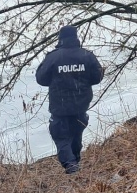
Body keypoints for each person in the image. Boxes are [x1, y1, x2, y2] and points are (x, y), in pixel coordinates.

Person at [35, 25, 103, 174]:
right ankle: (75, 163)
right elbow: (97, 77)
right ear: (76, 37)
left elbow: (41, 78)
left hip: (60, 107)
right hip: (81, 105)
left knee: (61, 136)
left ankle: (71, 166)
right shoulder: (87, 55)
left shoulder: (53, 57)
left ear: (61, 39)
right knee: (76, 135)